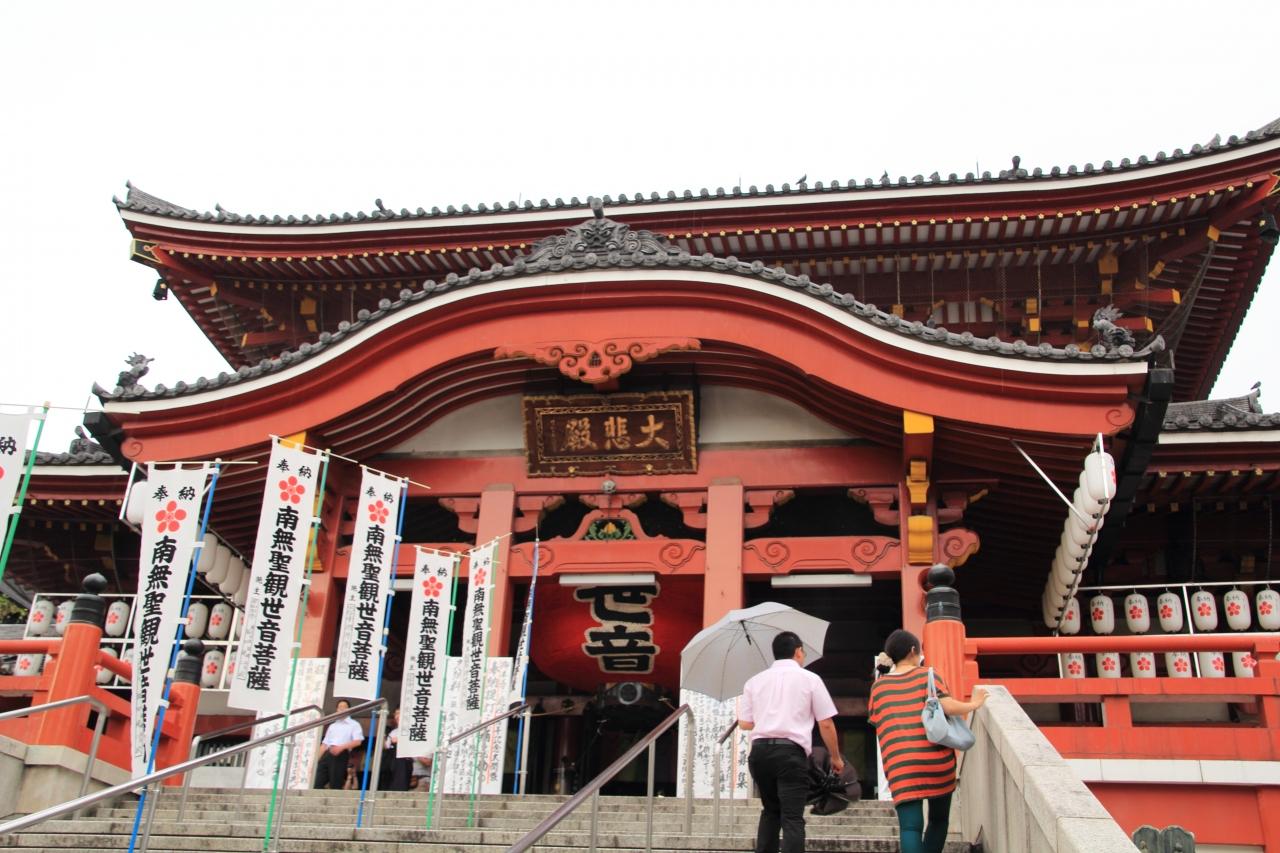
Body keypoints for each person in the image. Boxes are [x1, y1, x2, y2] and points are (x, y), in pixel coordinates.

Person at [867, 629, 988, 853]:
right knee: (938, 820)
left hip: (901, 766)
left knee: (910, 828)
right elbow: (947, 706)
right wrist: (974, 704)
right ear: (913, 651)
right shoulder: (927, 676)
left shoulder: (878, 688)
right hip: (936, 762)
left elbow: (877, 722)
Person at [738, 630, 843, 853]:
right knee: (792, 817)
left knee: (770, 812)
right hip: (790, 755)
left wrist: (767, 715)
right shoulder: (810, 679)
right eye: (803, 652)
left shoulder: (754, 682)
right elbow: (825, 723)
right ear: (798, 651)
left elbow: (744, 723)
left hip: (760, 754)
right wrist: (835, 757)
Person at [314, 698, 364, 789]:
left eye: (344, 707)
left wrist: (340, 748)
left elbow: (358, 741)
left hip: (341, 754)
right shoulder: (333, 726)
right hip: (327, 754)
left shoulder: (354, 724)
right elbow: (324, 745)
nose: (342, 709)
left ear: (349, 709)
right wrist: (315, 761)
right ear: (337, 710)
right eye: (339, 707)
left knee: (335, 783)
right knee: (317, 782)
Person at [383, 708, 414, 791]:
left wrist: (400, 740)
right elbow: (386, 746)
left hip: (405, 762)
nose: (397, 716)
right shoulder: (393, 732)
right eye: (396, 714)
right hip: (393, 761)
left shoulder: (412, 729)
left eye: (399, 714)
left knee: (401, 785)